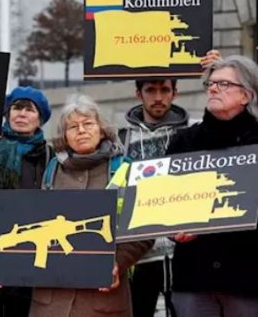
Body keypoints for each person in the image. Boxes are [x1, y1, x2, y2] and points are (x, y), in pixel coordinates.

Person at [30, 94, 154, 317]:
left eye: (88, 123)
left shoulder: (125, 169)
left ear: (102, 129)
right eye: (73, 127)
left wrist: (118, 262)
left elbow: (144, 229)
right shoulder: (50, 170)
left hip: (104, 300)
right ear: (64, 136)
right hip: (51, 305)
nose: (81, 130)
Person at [166, 55, 258, 317]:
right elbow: (164, 202)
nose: (214, 88)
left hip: (249, 280)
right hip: (195, 279)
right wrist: (174, 229)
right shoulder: (183, 141)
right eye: (211, 83)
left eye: (224, 84)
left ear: (246, 95)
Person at [0, 85, 52, 316]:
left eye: (30, 109)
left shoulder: (49, 157)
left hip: (29, 257)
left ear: (40, 118)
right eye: (17, 107)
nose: (22, 114)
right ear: (7, 113)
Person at [119, 78, 187, 317]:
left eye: (165, 90)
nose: (158, 97)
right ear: (139, 94)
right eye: (150, 90)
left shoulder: (191, 134)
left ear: (175, 93)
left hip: (183, 253)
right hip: (140, 254)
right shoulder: (122, 140)